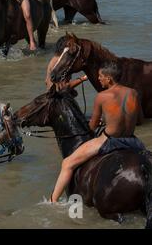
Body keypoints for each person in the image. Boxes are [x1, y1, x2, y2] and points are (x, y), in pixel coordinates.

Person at [50, 62, 145, 203]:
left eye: (101, 76)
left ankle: (53, 202)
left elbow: (92, 127)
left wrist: (102, 122)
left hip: (110, 141)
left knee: (67, 163)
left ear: (109, 79)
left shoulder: (102, 96)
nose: (98, 79)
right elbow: (140, 120)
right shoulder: (133, 93)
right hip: (132, 140)